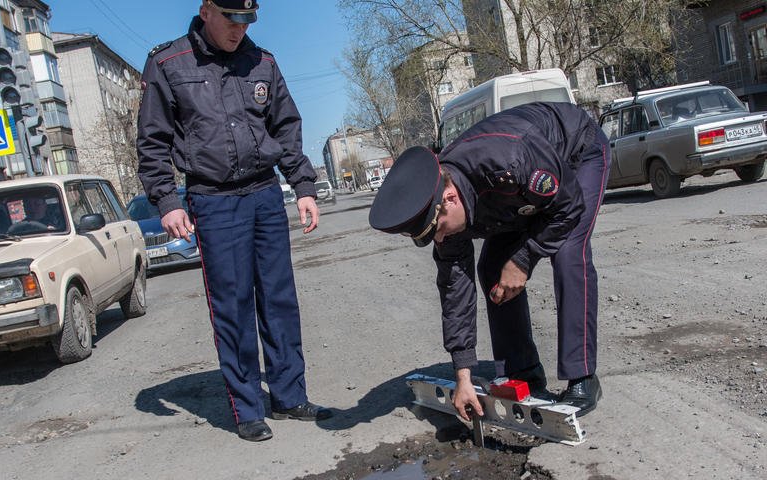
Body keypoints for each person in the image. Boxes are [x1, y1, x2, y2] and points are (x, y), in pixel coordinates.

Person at [136, 0, 332, 441]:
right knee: (234, 306)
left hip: (264, 194)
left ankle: (288, 395)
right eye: (232, 18)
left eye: (248, 20)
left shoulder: (262, 62)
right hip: (213, 200)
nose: (240, 29)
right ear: (206, 9)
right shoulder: (167, 63)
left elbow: (286, 127)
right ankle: (248, 408)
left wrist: (303, 187)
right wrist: (167, 201)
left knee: (279, 300)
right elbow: (152, 140)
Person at [368, 101, 609, 419]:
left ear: (450, 199)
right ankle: (523, 373)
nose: (440, 240)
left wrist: (524, 258)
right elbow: (456, 294)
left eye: (437, 230)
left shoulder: (509, 157)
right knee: (493, 268)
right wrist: (462, 375)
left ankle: (583, 377)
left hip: (576, 154)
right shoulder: (445, 209)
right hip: (518, 195)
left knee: (568, 254)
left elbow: (567, 206)